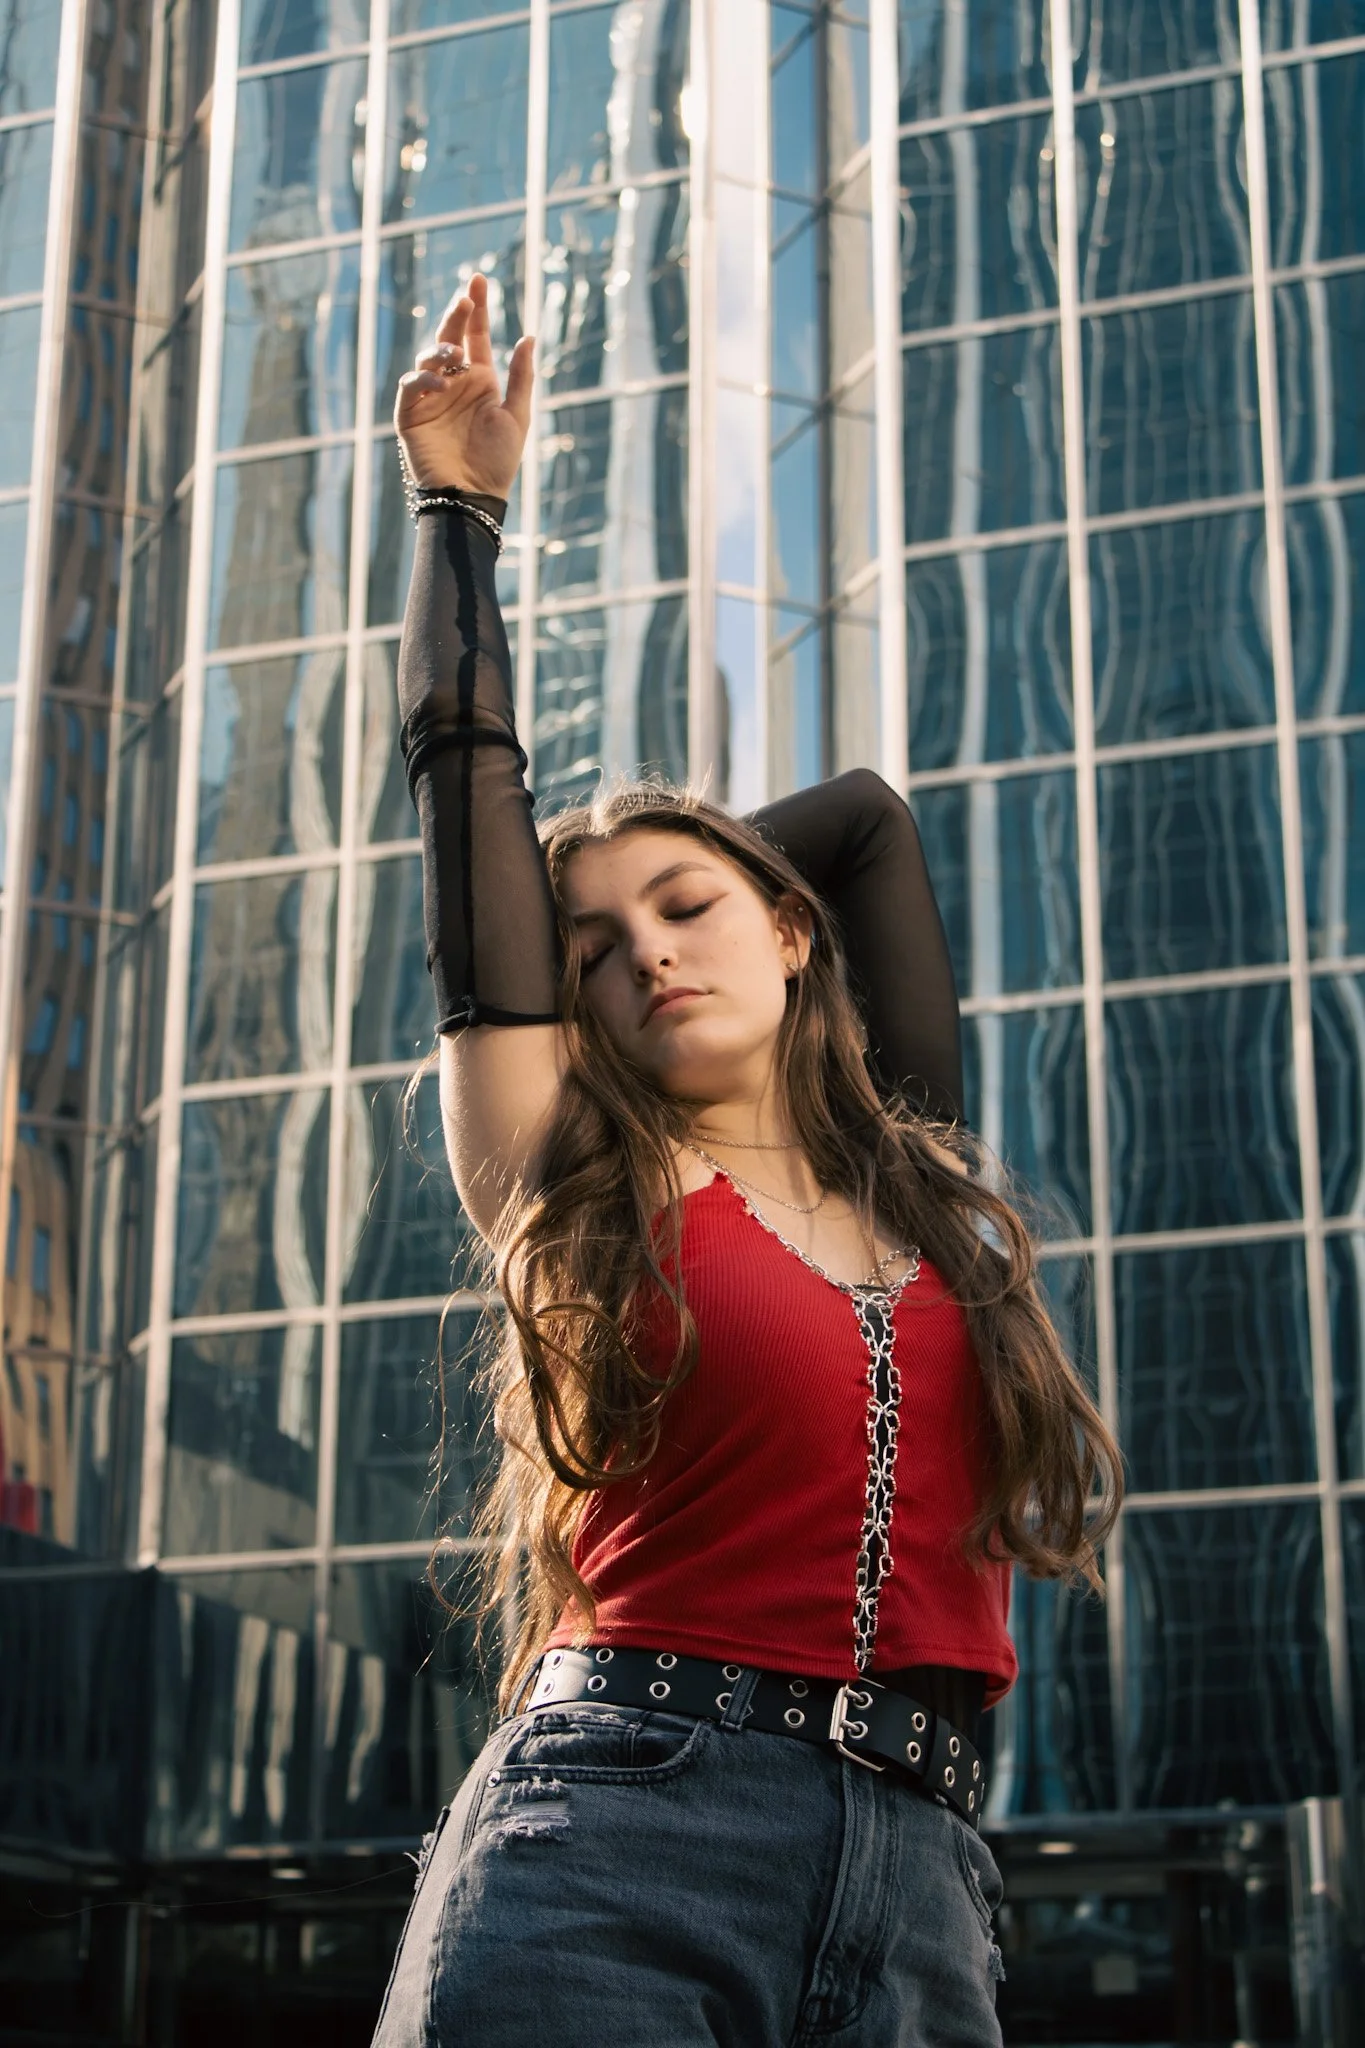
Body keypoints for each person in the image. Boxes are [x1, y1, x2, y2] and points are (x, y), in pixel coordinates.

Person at [369, 274, 1121, 2048]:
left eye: (687, 911)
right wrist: (457, 511)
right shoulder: (573, 1178)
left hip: (927, 1878)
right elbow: (464, 780)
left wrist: (685, 852)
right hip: (616, 1836)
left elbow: (864, 816)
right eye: (592, 954)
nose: (644, 957)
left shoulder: (919, 1190)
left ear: (798, 937)